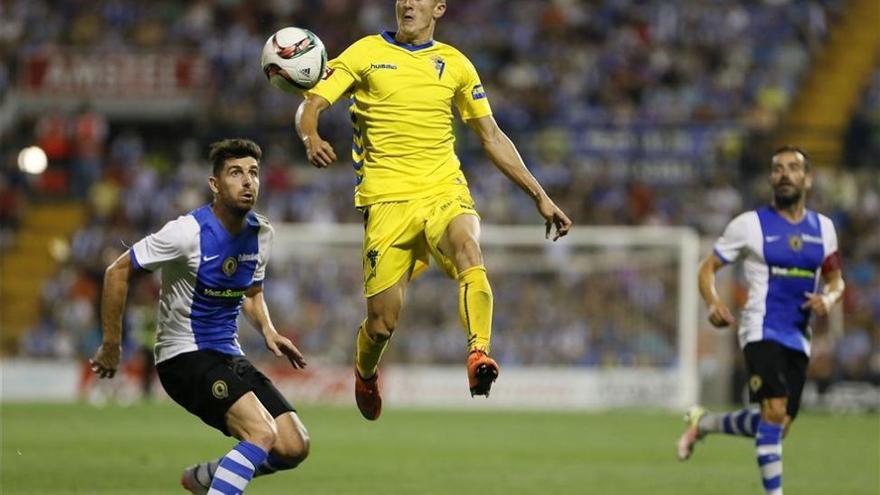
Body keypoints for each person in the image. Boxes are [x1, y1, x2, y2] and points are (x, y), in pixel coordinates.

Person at [295, 0, 572, 421]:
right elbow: (312, 102)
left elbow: (492, 135)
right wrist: (310, 134)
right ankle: (365, 373)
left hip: (443, 189)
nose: (407, 3)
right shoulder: (364, 52)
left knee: (468, 247)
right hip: (386, 202)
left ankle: (478, 354)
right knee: (382, 324)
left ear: (438, 7)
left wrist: (539, 194)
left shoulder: (456, 65)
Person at [90, 139, 310, 494]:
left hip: (227, 355)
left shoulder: (261, 233)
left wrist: (268, 329)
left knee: (293, 446)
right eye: (235, 173)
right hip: (183, 357)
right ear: (215, 184)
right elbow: (116, 271)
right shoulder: (186, 233)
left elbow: (252, 292)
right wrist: (112, 345)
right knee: (261, 433)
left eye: (253, 173)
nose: (247, 182)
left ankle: (205, 478)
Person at [677, 146, 845, 495]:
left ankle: (704, 422)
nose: (784, 174)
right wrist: (712, 302)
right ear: (771, 178)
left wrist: (828, 299)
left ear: (807, 179)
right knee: (773, 409)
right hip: (759, 328)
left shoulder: (824, 229)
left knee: (778, 423)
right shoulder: (749, 225)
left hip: (799, 335)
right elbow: (707, 267)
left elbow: (835, 280)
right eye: (777, 169)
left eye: (793, 168)